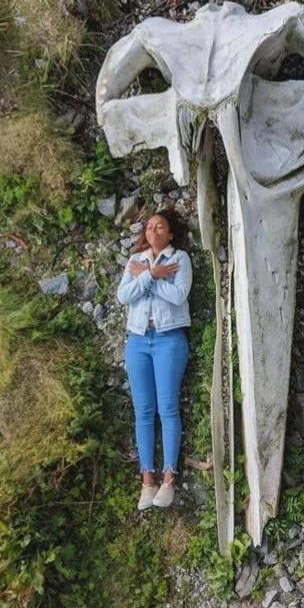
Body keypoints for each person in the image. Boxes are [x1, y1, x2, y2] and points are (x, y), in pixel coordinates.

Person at [116, 208, 192, 511]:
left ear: (170, 233)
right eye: (149, 227)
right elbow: (124, 296)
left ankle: (169, 479)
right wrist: (151, 274)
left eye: (160, 227)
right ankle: (147, 480)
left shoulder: (180, 259)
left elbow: (178, 296)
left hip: (169, 340)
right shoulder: (135, 261)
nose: (153, 231)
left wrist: (149, 278)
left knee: (168, 407)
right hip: (137, 341)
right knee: (143, 411)